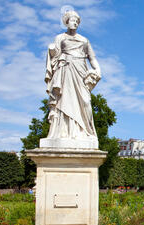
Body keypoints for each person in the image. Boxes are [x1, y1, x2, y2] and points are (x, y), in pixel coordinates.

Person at [45, 10, 101, 142]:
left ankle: (86, 131)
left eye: (77, 21)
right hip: (65, 70)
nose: (75, 23)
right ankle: (63, 132)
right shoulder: (60, 38)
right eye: (72, 20)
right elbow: (55, 55)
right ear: (66, 22)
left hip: (80, 71)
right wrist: (52, 50)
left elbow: (92, 58)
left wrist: (98, 69)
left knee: (85, 102)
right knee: (63, 100)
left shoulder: (84, 40)